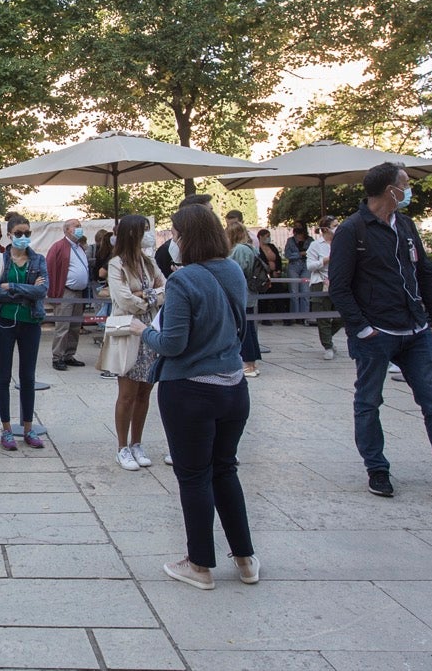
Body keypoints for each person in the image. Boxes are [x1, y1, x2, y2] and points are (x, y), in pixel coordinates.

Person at [329, 163, 432, 512]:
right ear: (387, 190)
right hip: (377, 332)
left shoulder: (406, 225)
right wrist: (362, 328)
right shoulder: (353, 229)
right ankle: (377, 469)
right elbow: (340, 286)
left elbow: (423, 271)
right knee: (368, 402)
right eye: (404, 184)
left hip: (416, 329)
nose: (409, 190)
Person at [136, 203, 258, 590]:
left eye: (175, 233)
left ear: (186, 237)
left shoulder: (184, 280)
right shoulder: (234, 270)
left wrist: (141, 331)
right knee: (225, 470)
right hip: (234, 387)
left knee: (193, 476)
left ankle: (200, 564)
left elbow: (172, 343)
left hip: (190, 390)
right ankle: (245, 558)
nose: (172, 240)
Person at [102, 215, 166, 470]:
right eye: (145, 230)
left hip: (151, 332)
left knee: (145, 392)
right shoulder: (117, 264)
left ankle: (137, 442)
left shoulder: (149, 262)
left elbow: (166, 288)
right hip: (128, 333)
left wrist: (145, 294)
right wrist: (151, 297)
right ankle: (122, 446)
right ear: (133, 234)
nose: (149, 235)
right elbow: (124, 299)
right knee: (127, 393)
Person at [0, 213, 49, 451]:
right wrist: (29, 289)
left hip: (30, 322)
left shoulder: (38, 259)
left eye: (27, 233)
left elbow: (43, 291)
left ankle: (28, 427)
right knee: (3, 377)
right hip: (3, 323)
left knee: (28, 377)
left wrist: (11, 286)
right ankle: (6, 430)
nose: (24, 237)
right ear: (10, 235)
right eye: (19, 233)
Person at [44, 218, 91, 371]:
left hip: (79, 293)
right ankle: (57, 357)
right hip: (65, 292)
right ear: (66, 230)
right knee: (63, 326)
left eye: (80, 226)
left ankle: (69, 354)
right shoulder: (58, 247)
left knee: (75, 326)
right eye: (76, 226)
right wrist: (52, 292)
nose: (79, 228)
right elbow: (50, 269)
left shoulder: (79, 247)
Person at [225, 222, 264, 378]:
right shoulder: (249, 248)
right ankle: (252, 363)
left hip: (242, 294)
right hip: (248, 293)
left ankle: (248, 363)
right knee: (249, 329)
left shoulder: (240, 249)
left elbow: (237, 272)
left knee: (244, 330)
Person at [306, 216, 340, 359]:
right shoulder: (316, 245)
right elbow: (310, 266)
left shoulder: (341, 242)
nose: (337, 228)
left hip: (339, 282)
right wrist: (324, 260)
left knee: (342, 315)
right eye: (334, 225)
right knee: (323, 316)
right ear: (326, 229)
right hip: (320, 283)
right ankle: (328, 345)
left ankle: (327, 336)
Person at [255, 230, 287, 322]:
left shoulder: (272, 247)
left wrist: (278, 270)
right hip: (264, 275)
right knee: (264, 297)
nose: (269, 238)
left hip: (275, 275)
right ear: (260, 237)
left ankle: (285, 318)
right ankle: (264, 318)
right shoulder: (257, 248)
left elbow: (278, 259)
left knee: (279, 295)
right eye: (267, 236)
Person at [284, 224, 312, 322]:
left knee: (305, 292)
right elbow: (287, 255)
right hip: (293, 266)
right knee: (294, 292)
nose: (299, 236)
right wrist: (300, 254)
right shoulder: (290, 241)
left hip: (306, 266)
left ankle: (305, 317)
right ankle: (294, 317)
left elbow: (312, 253)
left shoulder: (310, 240)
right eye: (297, 234)